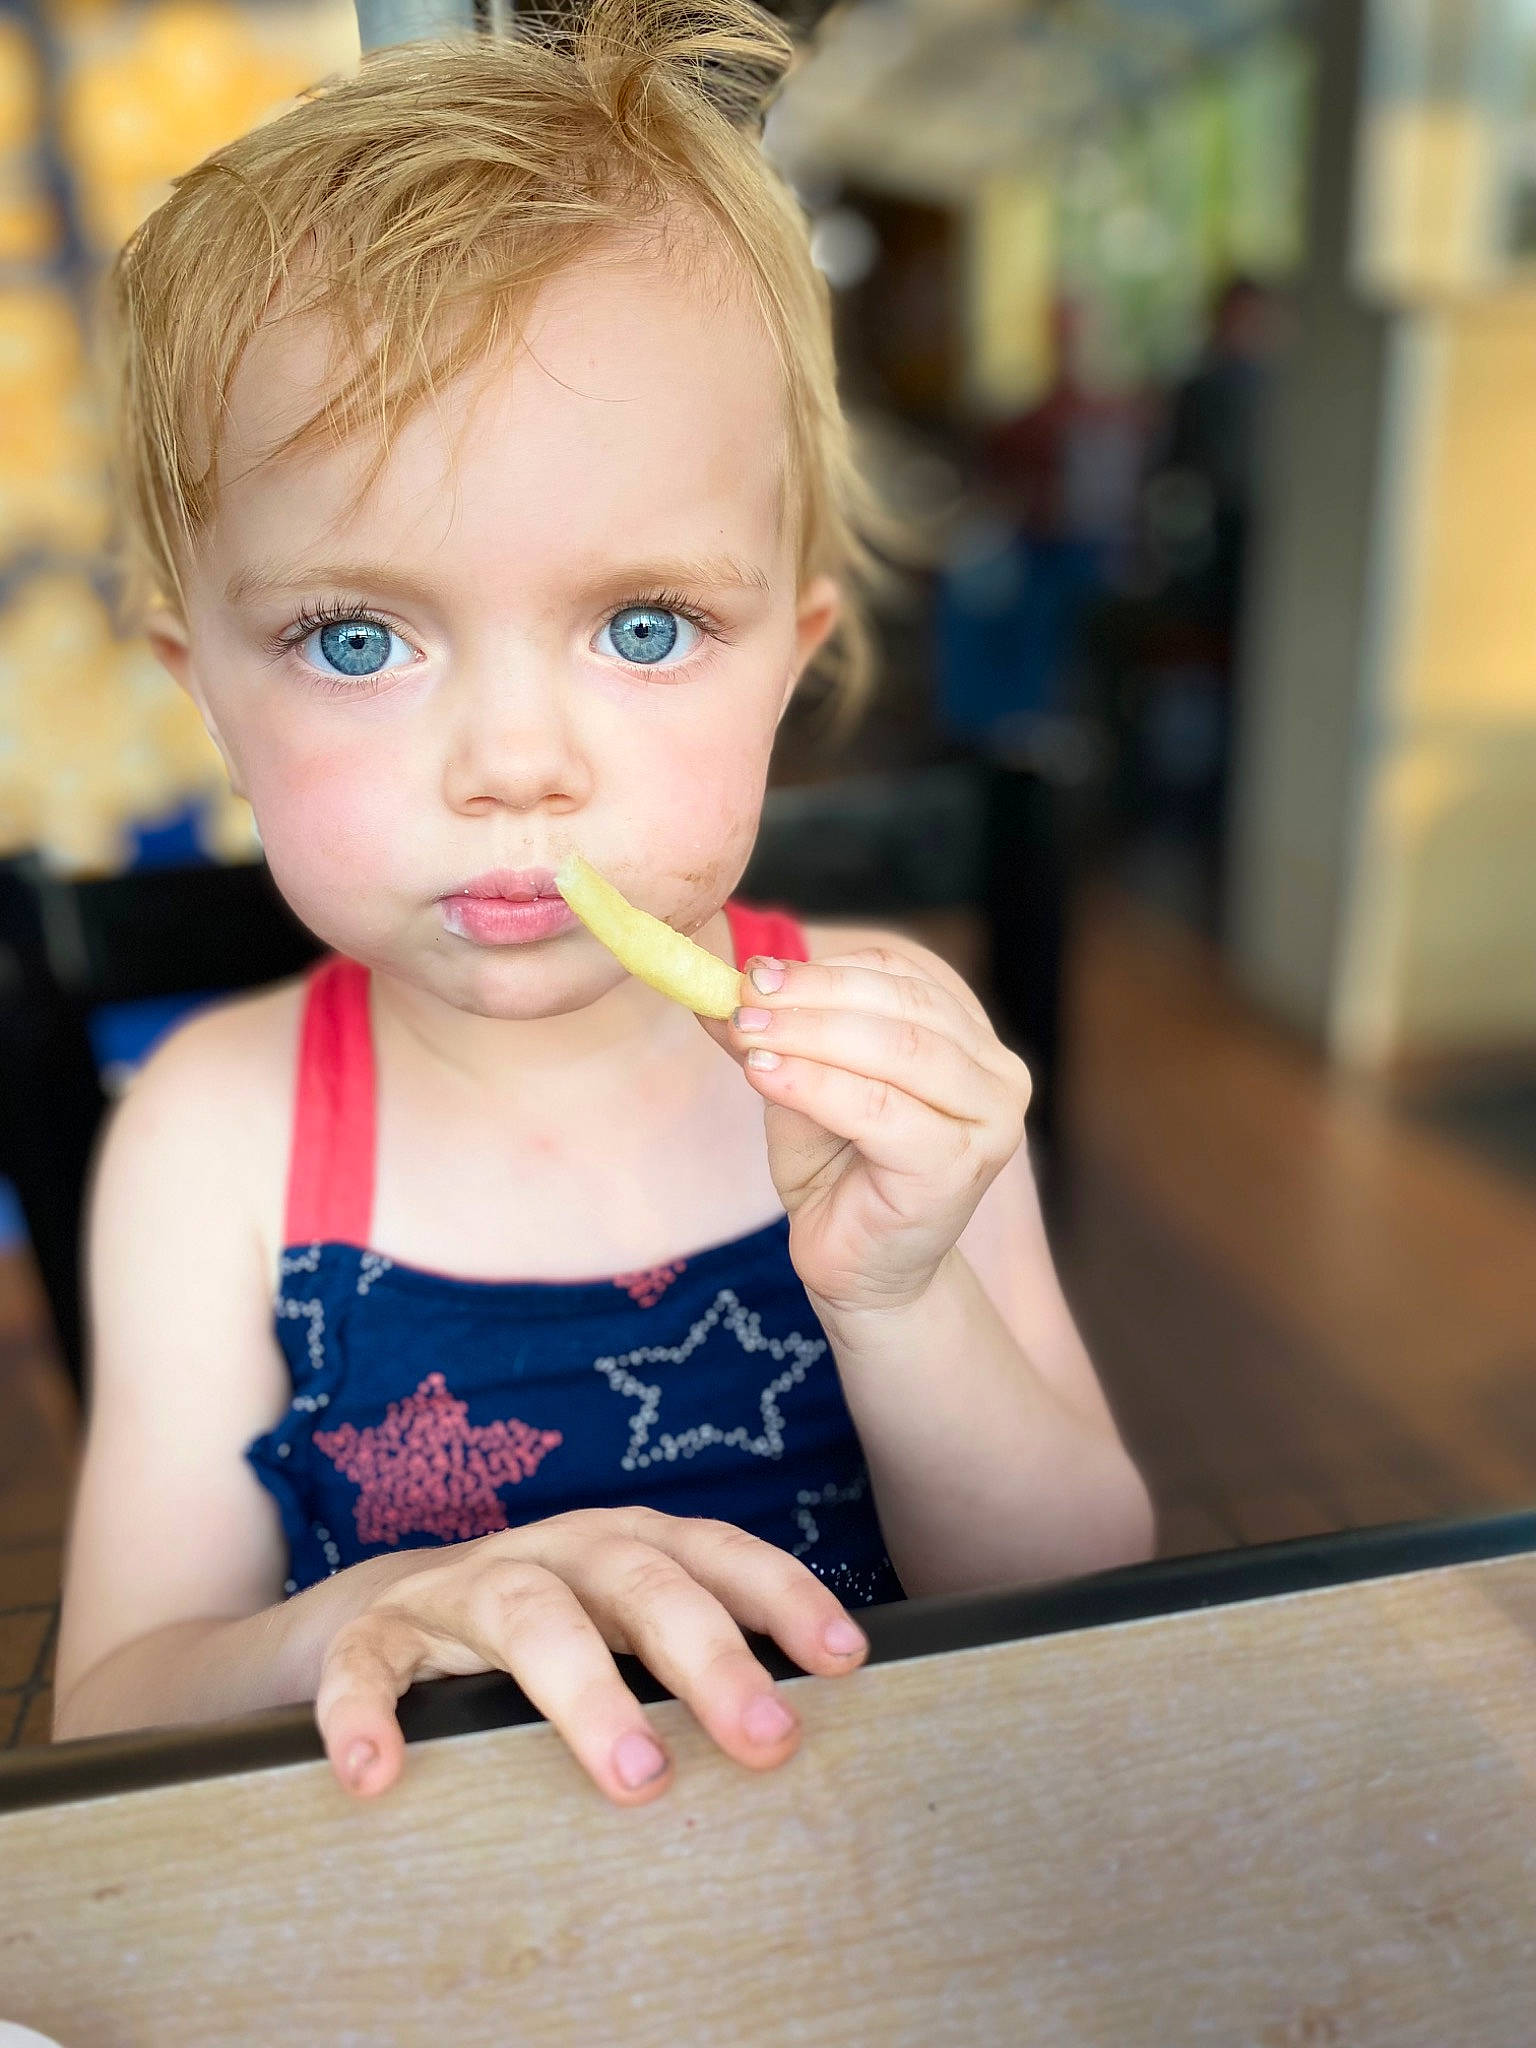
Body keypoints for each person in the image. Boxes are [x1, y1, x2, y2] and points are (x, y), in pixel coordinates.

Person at [52, 0, 1153, 1807]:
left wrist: (901, 1298)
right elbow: (113, 1707)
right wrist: (368, 1611)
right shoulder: (217, 1140)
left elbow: (1087, 1593)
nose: (513, 761)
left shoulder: (875, 1071)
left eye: (645, 628)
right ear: (206, 692)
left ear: (788, 663)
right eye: (354, 638)